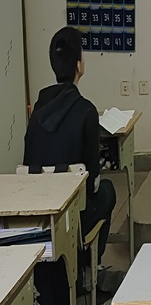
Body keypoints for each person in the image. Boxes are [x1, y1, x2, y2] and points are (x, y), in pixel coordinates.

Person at [24, 27, 117, 304]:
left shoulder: (37, 110)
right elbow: (93, 182)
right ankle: (90, 270)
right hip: (72, 220)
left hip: (39, 219)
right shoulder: (86, 110)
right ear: (79, 66)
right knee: (108, 191)